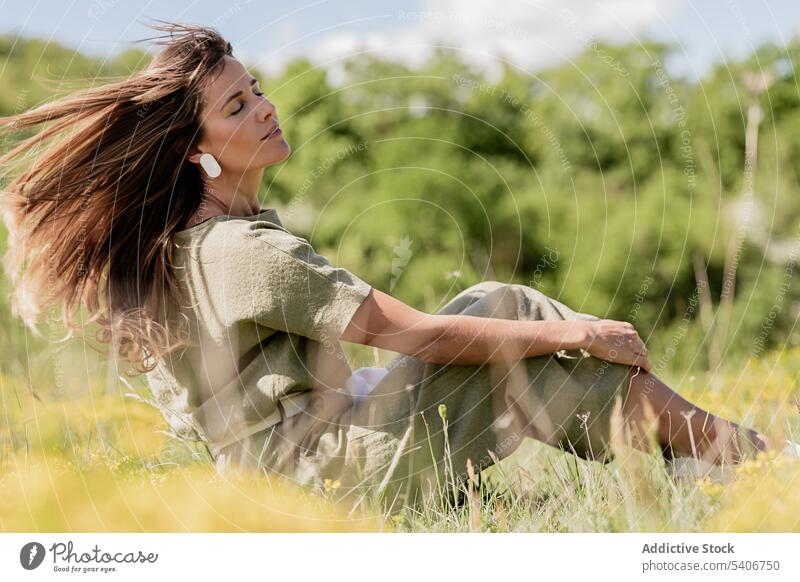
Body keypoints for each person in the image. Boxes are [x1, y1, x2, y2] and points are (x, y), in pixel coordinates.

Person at [1, 21, 796, 512]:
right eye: (237, 107)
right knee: (511, 311)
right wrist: (585, 329)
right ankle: (751, 462)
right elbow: (406, 334)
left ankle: (720, 464)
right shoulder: (238, 251)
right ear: (195, 149)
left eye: (258, 90)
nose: (266, 107)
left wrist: (568, 348)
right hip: (330, 486)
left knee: (538, 361)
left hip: (298, 474)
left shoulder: (200, 239)